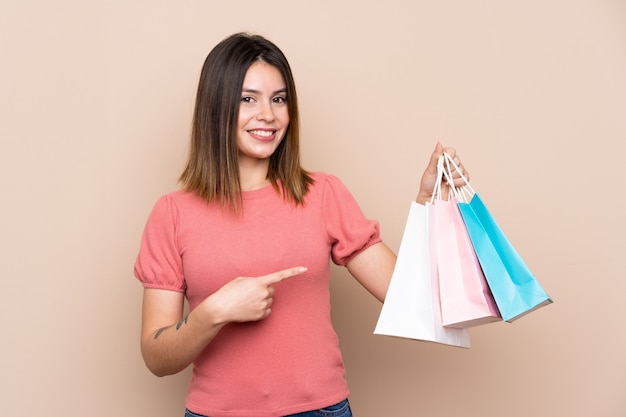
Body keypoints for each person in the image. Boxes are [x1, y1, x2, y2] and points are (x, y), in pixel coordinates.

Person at [134, 32, 468, 417]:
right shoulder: (172, 213)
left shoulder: (322, 194)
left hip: (320, 411)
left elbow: (414, 300)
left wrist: (430, 203)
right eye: (248, 99)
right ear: (215, 106)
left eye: (279, 99)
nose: (268, 115)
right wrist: (214, 312)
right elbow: (156, 358)